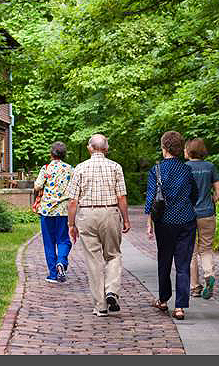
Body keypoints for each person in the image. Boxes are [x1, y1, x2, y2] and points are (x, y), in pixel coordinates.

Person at [66, 134, 131, 317]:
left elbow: (72, 201)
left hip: (87, 214)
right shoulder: (115, 167)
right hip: (110, 213)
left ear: (89, 148)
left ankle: (101, 306)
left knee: (93, 261)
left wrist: (71, 224)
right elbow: (122, 197)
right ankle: (111, 290)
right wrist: (125, 219)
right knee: (113, 254)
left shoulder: (80, 168)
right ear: (106, 148)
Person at [145, 131, 198, 320]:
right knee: (183, 264)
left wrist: (149, 223)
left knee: (164, 261)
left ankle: (163, 299)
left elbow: (151, 198)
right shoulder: (187, 170)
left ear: (164, 148)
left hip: (165, 222)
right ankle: (180, 307)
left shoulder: (156, 170)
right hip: (186, 221)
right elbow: (195, 195)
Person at [184, 138, 219, 299]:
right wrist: (210, 201)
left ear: (189, 151)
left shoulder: (184, 168)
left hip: (189, 214)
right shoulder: (210, 167)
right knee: (206, 248)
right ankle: (209, 275)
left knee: (191, 252)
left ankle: (195, 287)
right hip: (207, 214)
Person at [33, 142, 74, 283]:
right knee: (63, 240)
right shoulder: (70, 169)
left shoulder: (46, 168)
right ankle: (61, 261)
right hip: (63, 210)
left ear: (51, 154)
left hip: (47, 210)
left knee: (49, 242)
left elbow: (37, 185)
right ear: (64, 155)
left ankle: (53, 274)